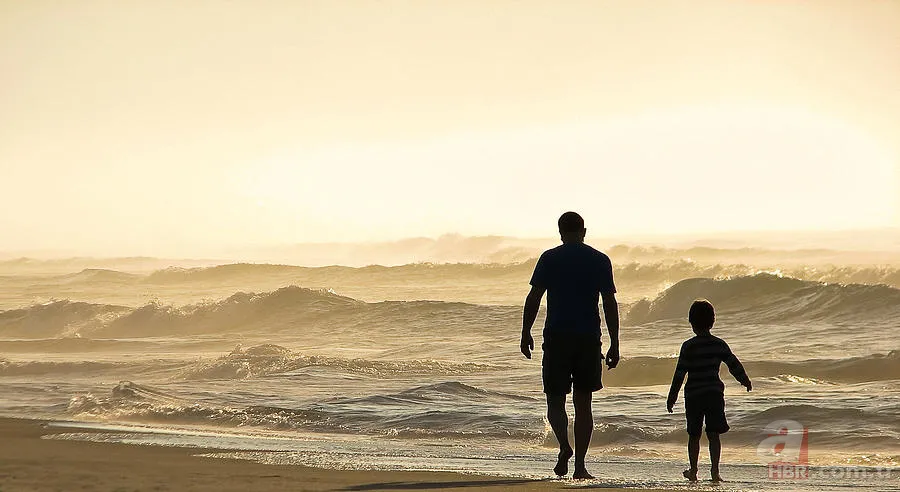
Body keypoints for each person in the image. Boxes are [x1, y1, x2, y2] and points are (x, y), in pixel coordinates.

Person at [520, 211, 620, 480]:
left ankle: (565, 446)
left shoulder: (549, 258)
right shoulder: (599, 259)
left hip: (556, 337)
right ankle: (580, 466)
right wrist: (615, 342)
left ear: (560, 232)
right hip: (588, 338)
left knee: (555, 399)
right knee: (583, 403)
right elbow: (609, 303)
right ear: (584, 231)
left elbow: (534, 297)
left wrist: (525, 332)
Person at [666, 299, 752, 482]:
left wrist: (672, 396)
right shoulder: (718, 344)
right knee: (713, 434)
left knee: (694, 435)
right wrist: (744, 380)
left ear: (691, 322)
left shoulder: (688, 346)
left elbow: (680, 373)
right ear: (713, 321)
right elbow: (733, 364)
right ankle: (715, 471)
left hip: (694, 395)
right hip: (714, 393)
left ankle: (694, 470)